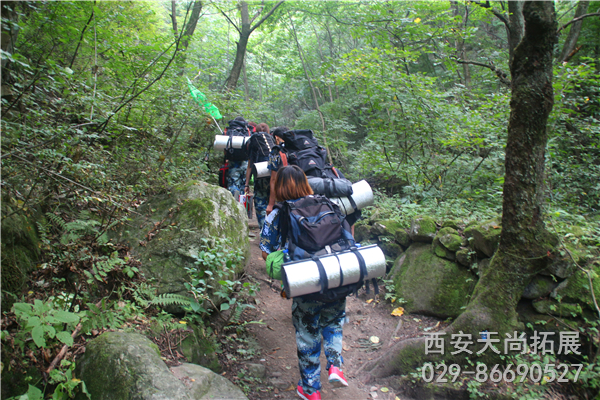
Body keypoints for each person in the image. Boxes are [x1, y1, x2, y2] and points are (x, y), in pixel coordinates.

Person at [260, 165, 349, 400]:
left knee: (308, 332)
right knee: (334, 322)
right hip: (337, 277)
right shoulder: (328, 204)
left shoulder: (279, 212)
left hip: (307, 281)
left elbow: (265, 251)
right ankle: (335, 366)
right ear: (305, 182)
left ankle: (310, 389)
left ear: (280, 187)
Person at [245, 122, 273, 229]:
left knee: (261, 203)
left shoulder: (253, 139)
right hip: (274, 175)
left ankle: (264, 233)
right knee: (272, 202)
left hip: (261, 174)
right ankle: (273, 234)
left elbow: (250, 164)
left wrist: (246, 184)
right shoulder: (272, 140)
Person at [224, 116, 250, 198]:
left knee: (233, 182)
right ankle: (242, 202)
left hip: (232, 160)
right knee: (244, 183)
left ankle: (234, 200)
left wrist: (227, 157)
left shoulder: (229, 130)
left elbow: (224, 146)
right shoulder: (247, 130)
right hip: (245, 161)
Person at [265, 126, 288, 215]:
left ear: (276, 137)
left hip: (285, 192)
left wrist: (271, 204)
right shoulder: (299, 148)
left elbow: (274, 179)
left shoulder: (276, 152)